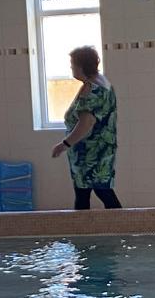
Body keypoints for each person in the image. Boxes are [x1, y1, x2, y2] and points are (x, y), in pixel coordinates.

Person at [52, 46, 122, 209]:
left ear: (82, 66)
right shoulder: (101, 83)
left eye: (73, 64)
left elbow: (87, 122)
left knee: (97, 193)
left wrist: (64, 144)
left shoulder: (93, 90)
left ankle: (123, 222)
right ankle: (120, 223)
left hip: (90, 153)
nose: (71, 67)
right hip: (99, 150)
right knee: (94, 192)